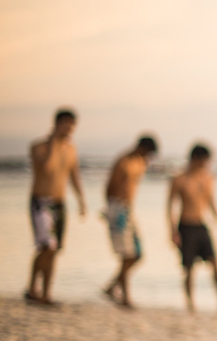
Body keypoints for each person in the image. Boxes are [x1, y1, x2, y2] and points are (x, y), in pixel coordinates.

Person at [25, 109, 87, 305]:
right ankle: (32, 287)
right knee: (46, 246)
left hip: (60, 203)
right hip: (41, 202)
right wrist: (53, 142)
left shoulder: (71, 148)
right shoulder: (39, 147)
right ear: (57, 123)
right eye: (66, 123)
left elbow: (74, 175)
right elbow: (46, 168)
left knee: (55, 249)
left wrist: (81, 200)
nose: (69, 128)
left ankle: (46, 293)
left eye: (72, 124)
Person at [167, 144, 217, 315]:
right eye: (205, 160)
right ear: (196, 159)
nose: (207, 164)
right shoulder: (180, 179)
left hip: (202, 226)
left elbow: (213, 204)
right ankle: (191, 305)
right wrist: (173, 231)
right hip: (186, 226)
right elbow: (170, 207)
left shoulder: (209, 178)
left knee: (215, 263)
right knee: (189, 267)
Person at [102, 135, 158, 308]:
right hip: (119, 208)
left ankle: (112, 287)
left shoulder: (140, 163)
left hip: (129, 210)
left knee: (137, 254)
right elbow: (109, 188)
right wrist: (112, 210)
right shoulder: (123, 161)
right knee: (127, 254)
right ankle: (125, 296)